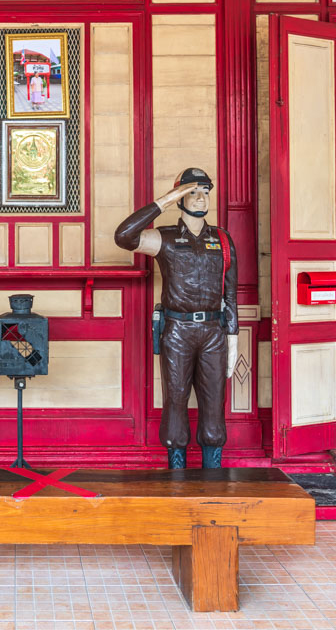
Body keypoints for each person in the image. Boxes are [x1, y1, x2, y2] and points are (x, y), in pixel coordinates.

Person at [114, 168, 238, 469]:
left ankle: (213, 472)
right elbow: (124, 237)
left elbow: (231, 293)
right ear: (181, 195)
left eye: (206, 192)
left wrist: (232, 338)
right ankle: (176, 472)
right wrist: (166, 200)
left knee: (214, 402)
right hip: (177, 330)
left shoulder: (221, 239)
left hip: (213, 330)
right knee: (176, 399)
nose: (200, 198)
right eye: (193, 192)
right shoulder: (164, 238)